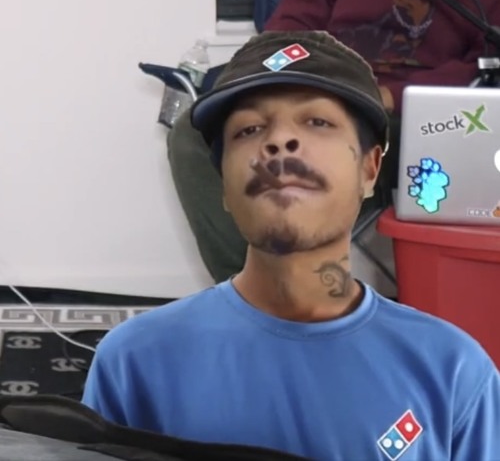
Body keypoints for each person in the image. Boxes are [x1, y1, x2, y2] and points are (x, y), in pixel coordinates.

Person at [83, 31, 500, 460]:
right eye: (249, 129)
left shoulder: (452, 372)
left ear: (369, 169)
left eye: (317, 121)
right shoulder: (135, 362)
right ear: (223, 185)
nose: (279, 140)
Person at [167, 0, 500, 283]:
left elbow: (483, 67)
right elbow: (287, 29)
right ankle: (249, 289)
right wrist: (301, 81)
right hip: (325, 92)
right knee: (193, 134)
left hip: (409, 119)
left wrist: (391, 95)